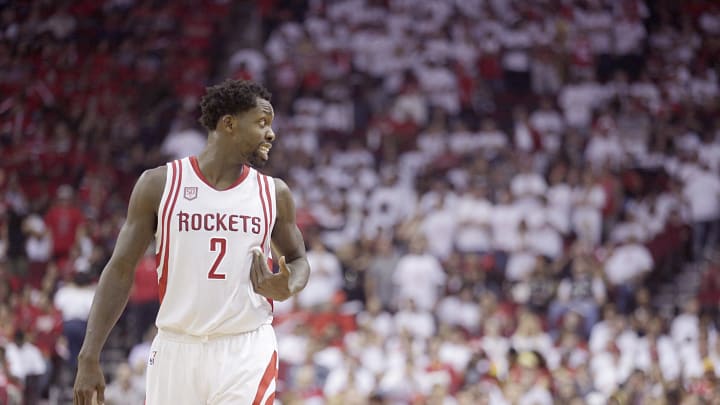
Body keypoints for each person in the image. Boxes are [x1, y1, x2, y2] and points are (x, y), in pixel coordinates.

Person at [73, 79, 311, 405]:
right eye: (261, 123)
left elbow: (299, 259)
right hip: (176, 348)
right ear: (228, 123)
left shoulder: (274, 193)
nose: (271, 134)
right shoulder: (160, 185)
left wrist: (287, 285)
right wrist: (89, 355)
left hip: (245, 348)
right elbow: (119, 270)